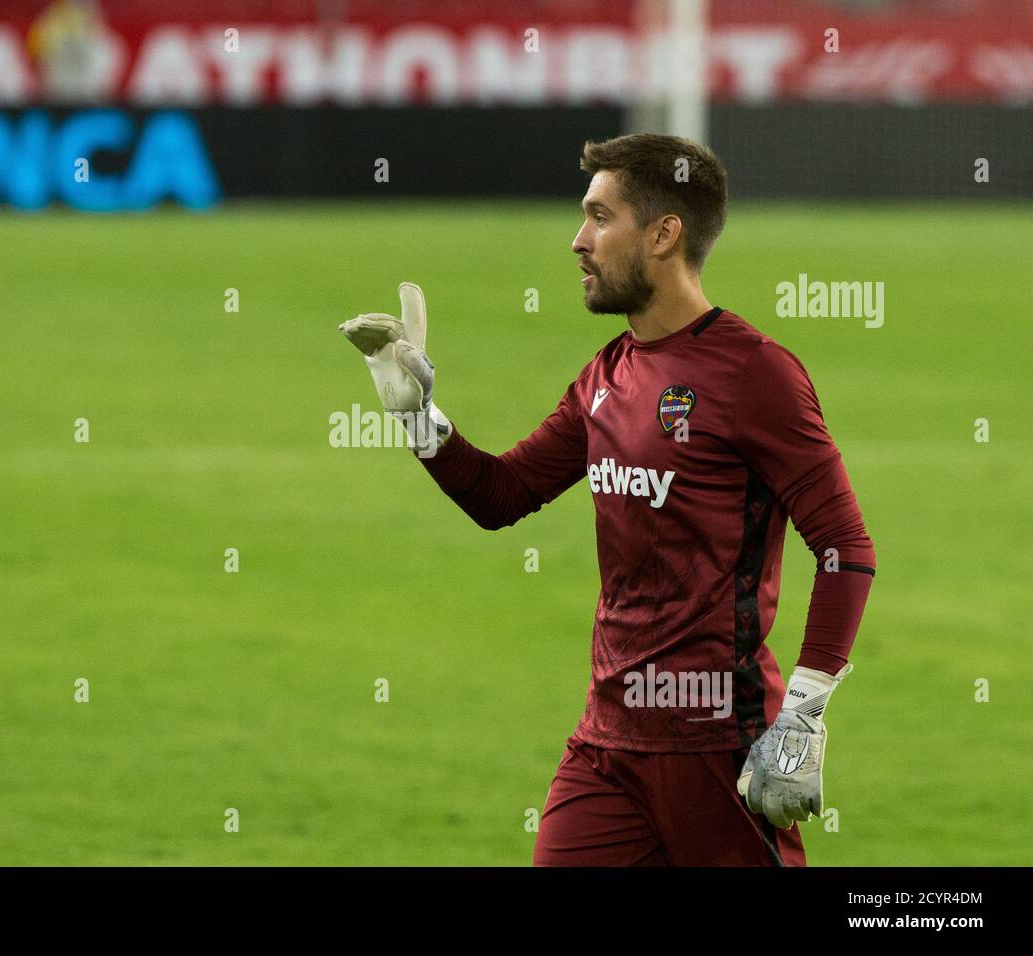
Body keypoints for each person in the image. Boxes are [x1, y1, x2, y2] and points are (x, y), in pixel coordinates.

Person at [338, 133, 876, 866]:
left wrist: (805, 714)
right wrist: (417, 417)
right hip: (607, 748)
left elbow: (846, 547)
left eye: (599, 217)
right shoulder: (607, 375)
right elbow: (504, 495)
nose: (577, 241)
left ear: (663, 234)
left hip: (716, 744)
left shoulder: (756, 374)